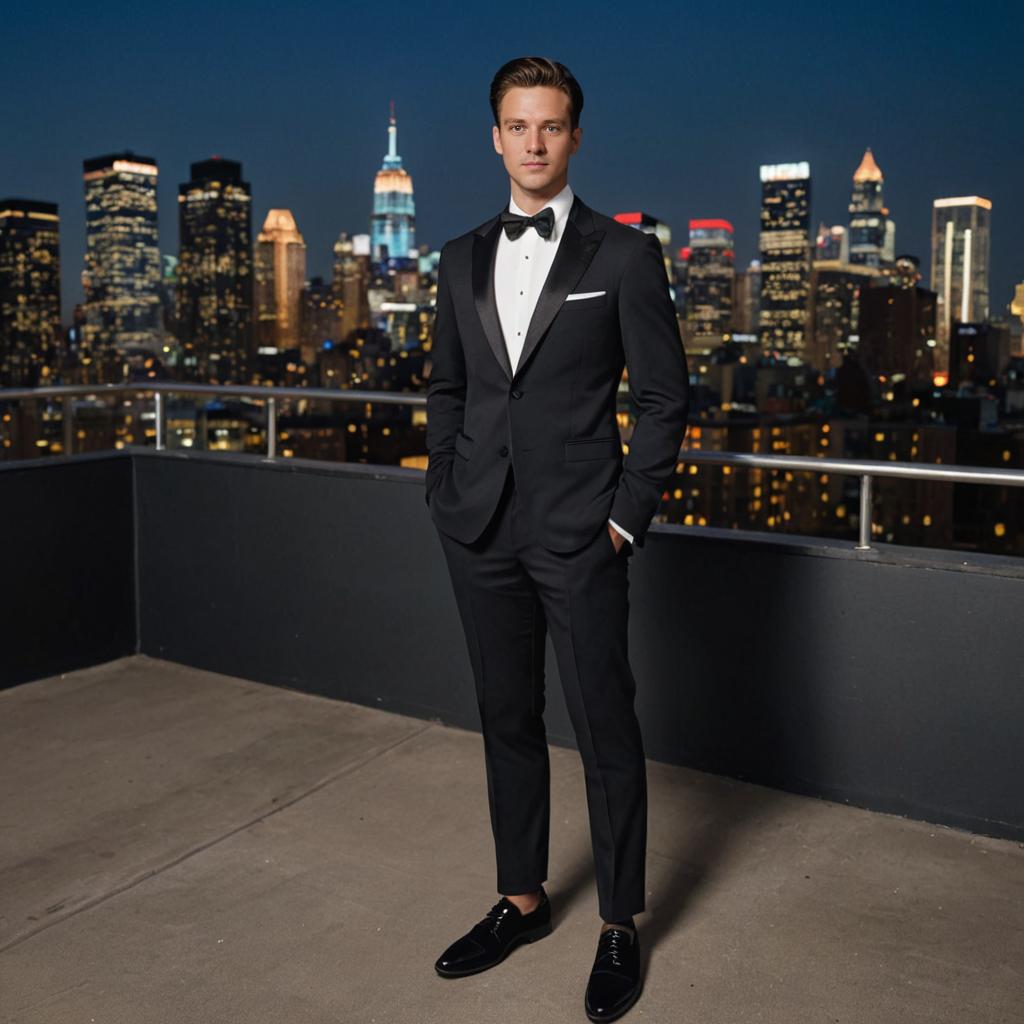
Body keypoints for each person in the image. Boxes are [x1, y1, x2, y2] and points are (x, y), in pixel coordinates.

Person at [424, 55, 689, 1022]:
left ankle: (619, 922)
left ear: (575, 137)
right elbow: (449, 389)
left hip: (583, 533)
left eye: (551, 126)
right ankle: (522, 898)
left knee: (604, 728)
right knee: (506, 719)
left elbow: (665, 398)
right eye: (517, 126)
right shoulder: (456, 258)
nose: (533, 143)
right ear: (495, 137)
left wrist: (626, 517)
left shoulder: (623, 255)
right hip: (480, 525)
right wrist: (445, 490)